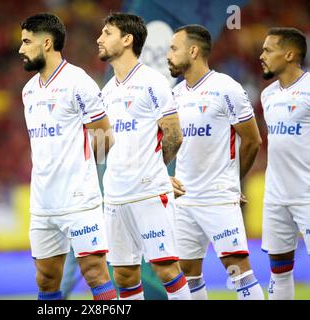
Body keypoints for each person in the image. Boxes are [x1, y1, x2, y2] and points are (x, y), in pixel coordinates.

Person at [19, 13, 117, 300]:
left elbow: (104, 136)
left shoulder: (78, 82)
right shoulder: (28, 92)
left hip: (79, 202)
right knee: (46, 278)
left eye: (26, 41)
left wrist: (83, 174)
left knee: (95, 273)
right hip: (42, 204)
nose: (21, 49)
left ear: (46, 43)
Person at [97, 12, 191, 300]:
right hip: (115, 197)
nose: (99, 39)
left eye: (107, 33)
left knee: (165, 268)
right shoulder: (106, 91)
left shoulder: (153, 82)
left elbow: (174, 135)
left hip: (148, 194)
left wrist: (156, 172)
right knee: (124, 275)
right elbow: (102, 148)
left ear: (127, 40)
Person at [166, 24, 264, 300]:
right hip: (184, 199)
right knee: (187, 271)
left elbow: (252, 140)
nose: (168, 55)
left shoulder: (225, 88)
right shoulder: (176, 95)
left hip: (217, 197)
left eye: (174, 48)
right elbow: (169, 144)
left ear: (193, 51)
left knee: (237, 268)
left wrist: (233, 180)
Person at [259, 27, 309, 300]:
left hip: (307, 195)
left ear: (289, 54)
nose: (261, 55)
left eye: (268, 50)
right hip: (276, 196)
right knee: (279, 270)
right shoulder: (267, 95)